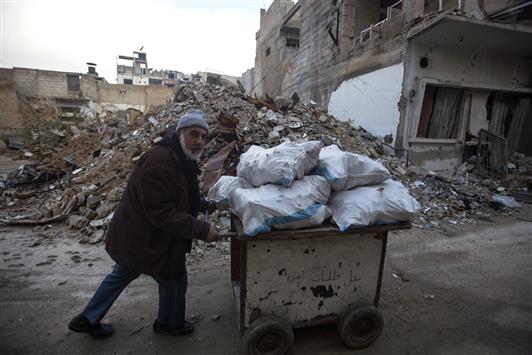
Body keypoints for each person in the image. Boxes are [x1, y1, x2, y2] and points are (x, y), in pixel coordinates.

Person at [68, 109, 220, 339]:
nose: (199, 141)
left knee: (122, 274)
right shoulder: (159, 161)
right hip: (145, 237)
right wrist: (202, 229)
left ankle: (88, 318)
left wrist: (204, 205)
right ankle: (169, 323)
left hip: (143, 236)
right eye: (194, 134)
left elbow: (180, 194)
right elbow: (162, 212)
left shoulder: (180, 159)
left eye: (203, 136)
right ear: (180, 133)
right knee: (174, 278)